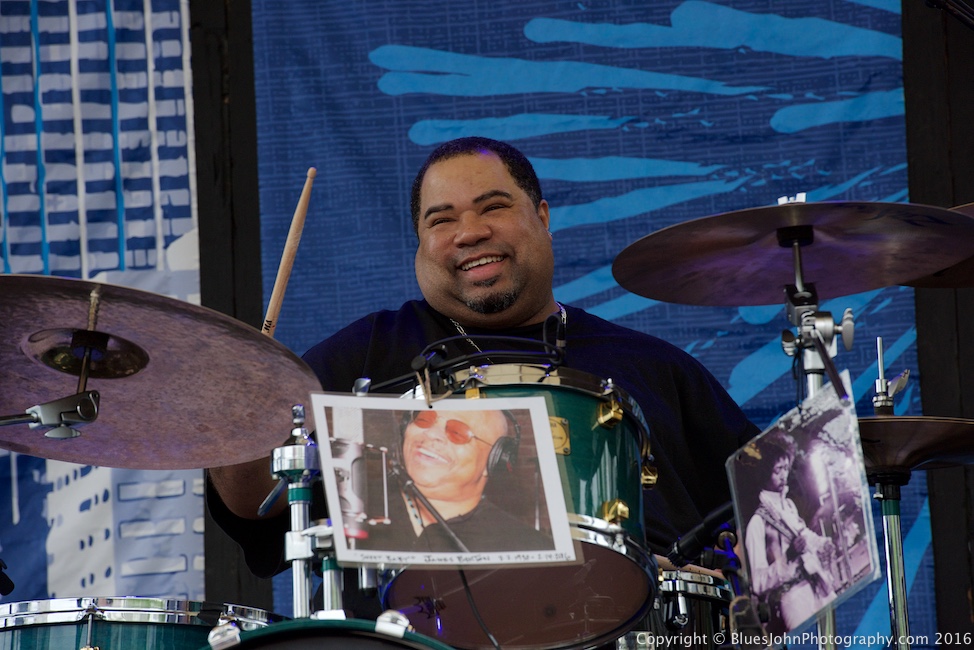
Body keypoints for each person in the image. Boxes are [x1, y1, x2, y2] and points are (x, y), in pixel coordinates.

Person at [206, 136, 760, 616]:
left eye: (492, 207)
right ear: (420, 245)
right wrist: (234, 406)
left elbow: (769, 525)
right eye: (440, 219)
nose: (468, 233)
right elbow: (254, 500)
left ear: (541, 217)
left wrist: (697, 583)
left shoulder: (654, 367)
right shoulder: (367, 354)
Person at [353, 408, 553, 553]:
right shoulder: (352, 506)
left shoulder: (526, 546)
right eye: (424, 419)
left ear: (494, 462)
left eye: (457, 432)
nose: (431, 434)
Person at [743, 431, 836, 633]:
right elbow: (758, 583)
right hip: (792, 597)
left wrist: (822, 543)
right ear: (765, 472)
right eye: (778, 469)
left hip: (817, 583)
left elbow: (804, 535)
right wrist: (787, 556)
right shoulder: (757, 524)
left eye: (786, 467)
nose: (784, 474)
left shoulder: (789, 505)